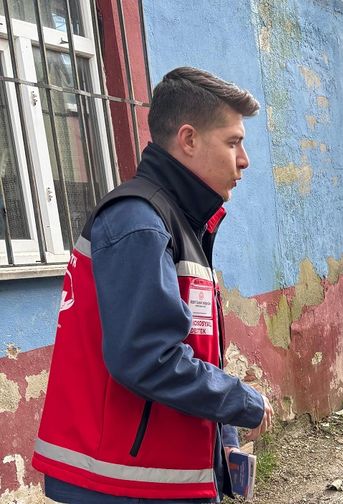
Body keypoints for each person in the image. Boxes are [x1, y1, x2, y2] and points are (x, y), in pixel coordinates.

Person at [32, 67, 274, 503]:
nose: (245, 160)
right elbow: (148, 357)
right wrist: (240, 399)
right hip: (120, 482)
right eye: (234, 142)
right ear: (189, 139)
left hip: (150, 474)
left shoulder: (179, 221)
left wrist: (226, 434)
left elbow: (194, 346)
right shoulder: (139, 222)